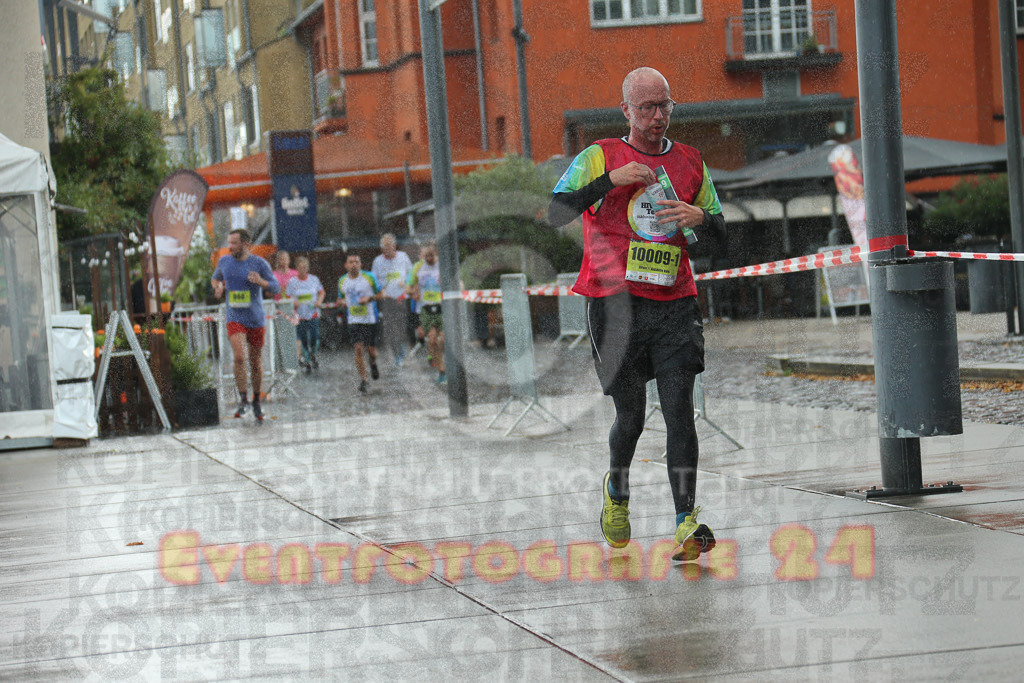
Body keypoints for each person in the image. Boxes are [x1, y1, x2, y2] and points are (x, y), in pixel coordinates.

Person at [547, 67, 725, 562]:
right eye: (646, 107)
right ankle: (617, 491)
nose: (657, 117)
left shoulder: (690, 163)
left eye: (664, 105)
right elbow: (556, 213)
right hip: (614, 307)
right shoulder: (598, 156)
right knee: (631, 416)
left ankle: (685, 522)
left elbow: (724, 238)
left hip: (674, 304)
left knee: (678, 412)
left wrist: (702, 219)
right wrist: (610, 180)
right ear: (625, 110)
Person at [211, 228, 280, 421]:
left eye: (233, 243)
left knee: (255, 361)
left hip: (256, 318)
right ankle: (243, 399)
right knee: (239, 357)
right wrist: (217, 288)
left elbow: (275, 287)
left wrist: (261, 282)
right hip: (234, 317)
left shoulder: (259, 263)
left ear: (245, 244)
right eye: (229, 243)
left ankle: (256, 400)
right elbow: (215, 278)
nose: (229, 247)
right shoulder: (224, 261)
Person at [338, 254, 381, 393]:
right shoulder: (342, 281)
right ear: (346, 265)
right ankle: (364, 380)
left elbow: (381, 293)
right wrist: (342, 302)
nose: (354, 264)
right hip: (354, 320)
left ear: (361, 264)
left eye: (357, 262)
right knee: (358, 348)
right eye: (351, 262)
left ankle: (373, 363)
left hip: (369, 318)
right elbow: (340, 298)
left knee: (372, 351)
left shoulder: (369, 277)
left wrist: (369, 298)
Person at [406, 241, 446, 384]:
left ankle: (446, 365)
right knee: (432, 340)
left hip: (442, 306)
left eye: (431, 255)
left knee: (444, 340)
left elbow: (457, 282)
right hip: (426, 309)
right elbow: (408, 288)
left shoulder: (442, 265)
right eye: (425, 256)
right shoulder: (417, 267)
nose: (428, 259)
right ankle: (442, 371)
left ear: (435, 253)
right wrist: (413, 293)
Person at [371, 233, 413, 367]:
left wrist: (406, 285)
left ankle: (400, 346)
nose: (386, 249)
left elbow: (411, 275)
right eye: (383, 247)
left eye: (388, 246)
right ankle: (397, 354)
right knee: (389, 330)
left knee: (400, 328)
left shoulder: (403, 257)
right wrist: (380, 290)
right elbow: (374, 280)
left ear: (394, 246)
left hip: (401, 298)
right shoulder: (377, 261)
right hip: (387, 299)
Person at [286, 256, 325, 372]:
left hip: (313, 314)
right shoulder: (292, 282)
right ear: (297, 268)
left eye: (304, 267)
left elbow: (322, 292)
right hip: (300, 315)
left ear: (307, 268)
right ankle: (307, 360)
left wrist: (319, 301)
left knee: (314, 338)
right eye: (300, 267)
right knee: (303, 339)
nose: (302, 269)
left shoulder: (314, 279)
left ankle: (313, 354)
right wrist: (294, 302)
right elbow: (287, 297)